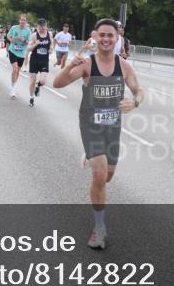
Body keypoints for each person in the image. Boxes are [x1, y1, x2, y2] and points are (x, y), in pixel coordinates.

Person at [54, 19, 145, 249]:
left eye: (110, 36)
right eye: (102, 35)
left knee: (108, 177)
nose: (106, 39)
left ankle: (92, 157)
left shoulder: (124, 66)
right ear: (96, 37)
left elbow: (139, 90)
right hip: (90, 125)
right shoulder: (87, 64)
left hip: (113, 128)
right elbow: (57, 83)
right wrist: (69, 65)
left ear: (117, 38)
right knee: (100, 174)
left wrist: (134, 102)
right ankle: (99, 228)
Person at [27, 18, 54, 107]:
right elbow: (29, 48)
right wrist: (36, 44)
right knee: (32, 80)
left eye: (44, 25)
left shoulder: (49, 34)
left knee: (43, 81)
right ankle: (31, 98)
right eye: (41, 26)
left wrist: (51, 49)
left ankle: (37, 86)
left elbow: (52, 43)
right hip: (34, 60)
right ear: (38, 26)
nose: (43, 27)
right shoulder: (34, 35)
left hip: (44, 60)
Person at [5, 15, 31, 99]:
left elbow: (28, 43)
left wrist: (24, 40)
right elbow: (8, 36)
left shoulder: (28, 31)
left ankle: (13, 84)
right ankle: (13, 89)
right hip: (12, 50)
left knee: (18, 71)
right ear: (19, 21)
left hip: (22, 53)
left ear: (26, 22)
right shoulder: (14, 28)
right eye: (22, 20)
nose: (23, 22)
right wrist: (12, 39)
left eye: (24, 20)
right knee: (15, 69)